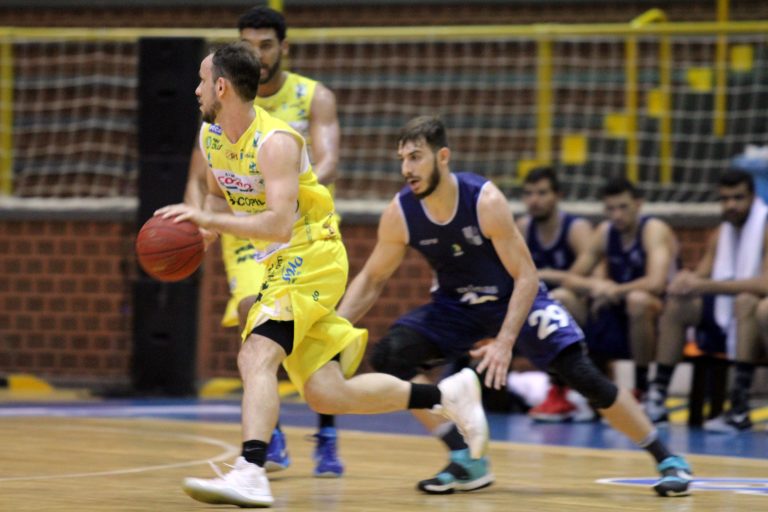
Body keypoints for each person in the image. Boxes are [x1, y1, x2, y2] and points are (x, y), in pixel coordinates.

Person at [162, 43, 489, 508]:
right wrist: (205, 230)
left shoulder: (276, 142)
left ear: (221, 86)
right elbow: (217, 195)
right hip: (279, 261)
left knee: (256, 353)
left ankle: (251, 470)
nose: (195, 90)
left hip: (313, 253)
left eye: (201, 81)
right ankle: (445, 395)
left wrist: (209, 219)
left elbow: (278, 224)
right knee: (326, 393)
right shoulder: (211, 136)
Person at [336, 115, 693, 497]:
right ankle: (466, 457)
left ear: (443, 157)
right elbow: (372, 279)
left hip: (515, 298)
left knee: (583, 375)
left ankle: (669, 459)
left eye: (415, 157)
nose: (406, 169)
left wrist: (505, 342)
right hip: (457, 306)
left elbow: (527, 276)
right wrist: (334, 328)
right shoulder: (401, 212)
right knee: (391, 356)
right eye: (402, 159)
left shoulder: (484, 201)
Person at [184, 6, 343, 476]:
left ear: (283, 47)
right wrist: (200, 226)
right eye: (248, 45)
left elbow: (328, 161)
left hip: (297, 227)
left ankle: (325, 432)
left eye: (266, 45)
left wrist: (283, 189)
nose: (257, 54)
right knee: (252, 316)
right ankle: (266, 443)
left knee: (307, 341)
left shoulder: (309, 99)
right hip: (245, 228)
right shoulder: (213, 125)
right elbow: (206, 184)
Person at [645, 170, 768, 431]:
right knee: (678, 305)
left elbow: (764, 284)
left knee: (746, 301)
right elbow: (700, 277)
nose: (731, 205)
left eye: (738, 198)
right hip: (726, 313)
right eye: (725, 199)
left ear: (752, 197)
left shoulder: (765, 226)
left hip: (757, 321)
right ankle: (657, 397)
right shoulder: (720, 233)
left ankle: (739, 407)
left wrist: (706, 284)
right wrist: (684, 281)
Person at [561, 178, 679, 398]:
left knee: (638, 300)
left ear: (638, 204)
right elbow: (570, 279)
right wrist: (597, 285)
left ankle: (642, 387)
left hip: (659, 318)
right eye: (611, 209)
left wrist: (616, 290)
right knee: (562, 297)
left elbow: (656, 283)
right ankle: (577, 383)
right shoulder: (605, 232)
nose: (617, 215)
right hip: (617, 313)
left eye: (623, 207)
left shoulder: (653, 229)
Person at [517, 167, 595, 422]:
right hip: (536, 309)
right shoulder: (523, 227)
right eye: (529, 194)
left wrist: (544, 275)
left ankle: (559, 391)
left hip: (583, 312)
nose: (534, 200)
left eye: (542, 193)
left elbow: (582, 280)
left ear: (558, 195)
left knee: (559, 299)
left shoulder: (577, 228)